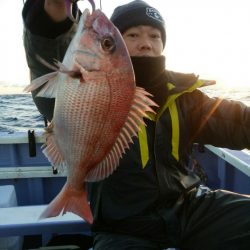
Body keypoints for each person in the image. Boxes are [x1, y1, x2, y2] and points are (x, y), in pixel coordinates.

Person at [22, 0, 250, 249]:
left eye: (155, 35)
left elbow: (237, 122)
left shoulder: (185, 96)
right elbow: (47, 48)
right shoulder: (74, 77)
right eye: (132, 34)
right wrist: (54, 10)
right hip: (122, 226)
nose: (146, 42)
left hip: (189, 207)